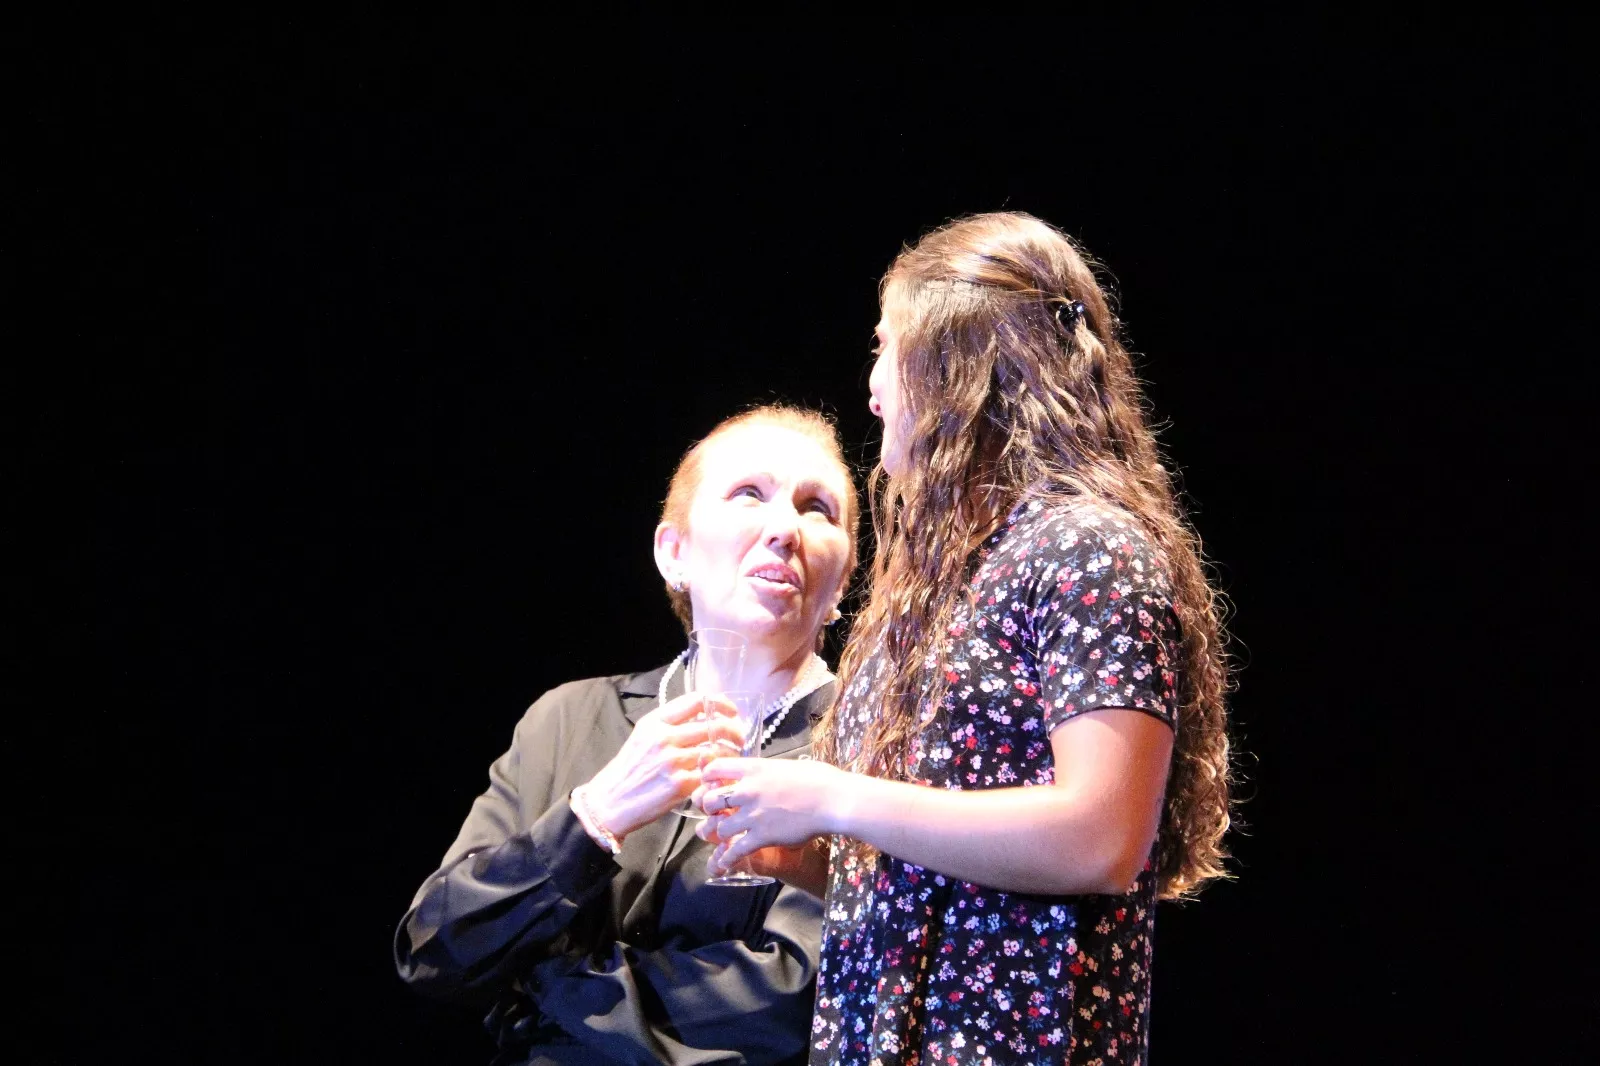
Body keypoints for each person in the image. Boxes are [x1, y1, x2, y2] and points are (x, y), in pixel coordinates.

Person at [695, 214, 1232, 1065]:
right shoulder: (940, 586)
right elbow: (930, 872)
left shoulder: (1089, 549)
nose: (871, 387)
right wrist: (799, 853)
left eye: (885, 347)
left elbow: (1100, 838)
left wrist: (833, 796)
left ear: (960, 364)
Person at [395, 405, 860, 1065]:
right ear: (674, 553)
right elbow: (438, 949)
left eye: (819, 509)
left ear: (842, 581)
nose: (785, 527)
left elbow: (791, 1003)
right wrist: (592, 819)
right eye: (749, 494)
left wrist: (540, 994)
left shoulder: (870, 746)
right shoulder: (570, 717)